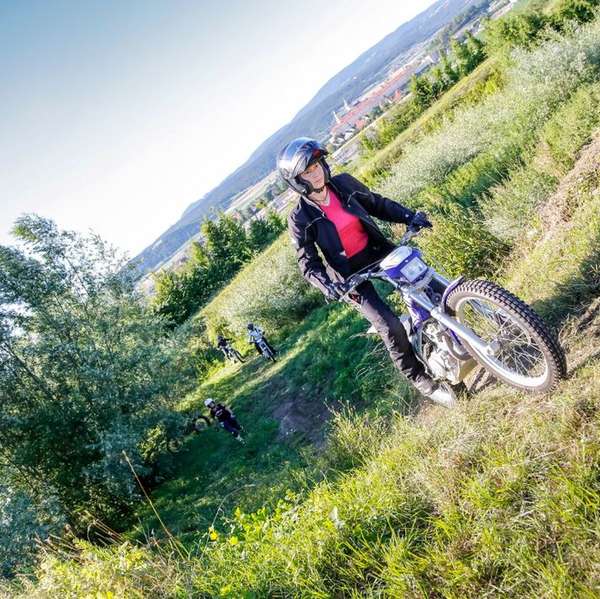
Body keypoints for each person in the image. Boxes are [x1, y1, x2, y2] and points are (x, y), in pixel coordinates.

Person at [278, 137, 454, 405]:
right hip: (348, 278)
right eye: (307, 171)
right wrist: (327, 285)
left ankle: (461, 337)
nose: (316, 173)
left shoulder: (344, 184)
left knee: (430, 285)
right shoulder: (299, 217)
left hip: (377, 251)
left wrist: (409, 216)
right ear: (296, 180)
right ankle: (420, 379)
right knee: (388, 324)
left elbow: (377, 204)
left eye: (317, 165)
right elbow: (307, 262)